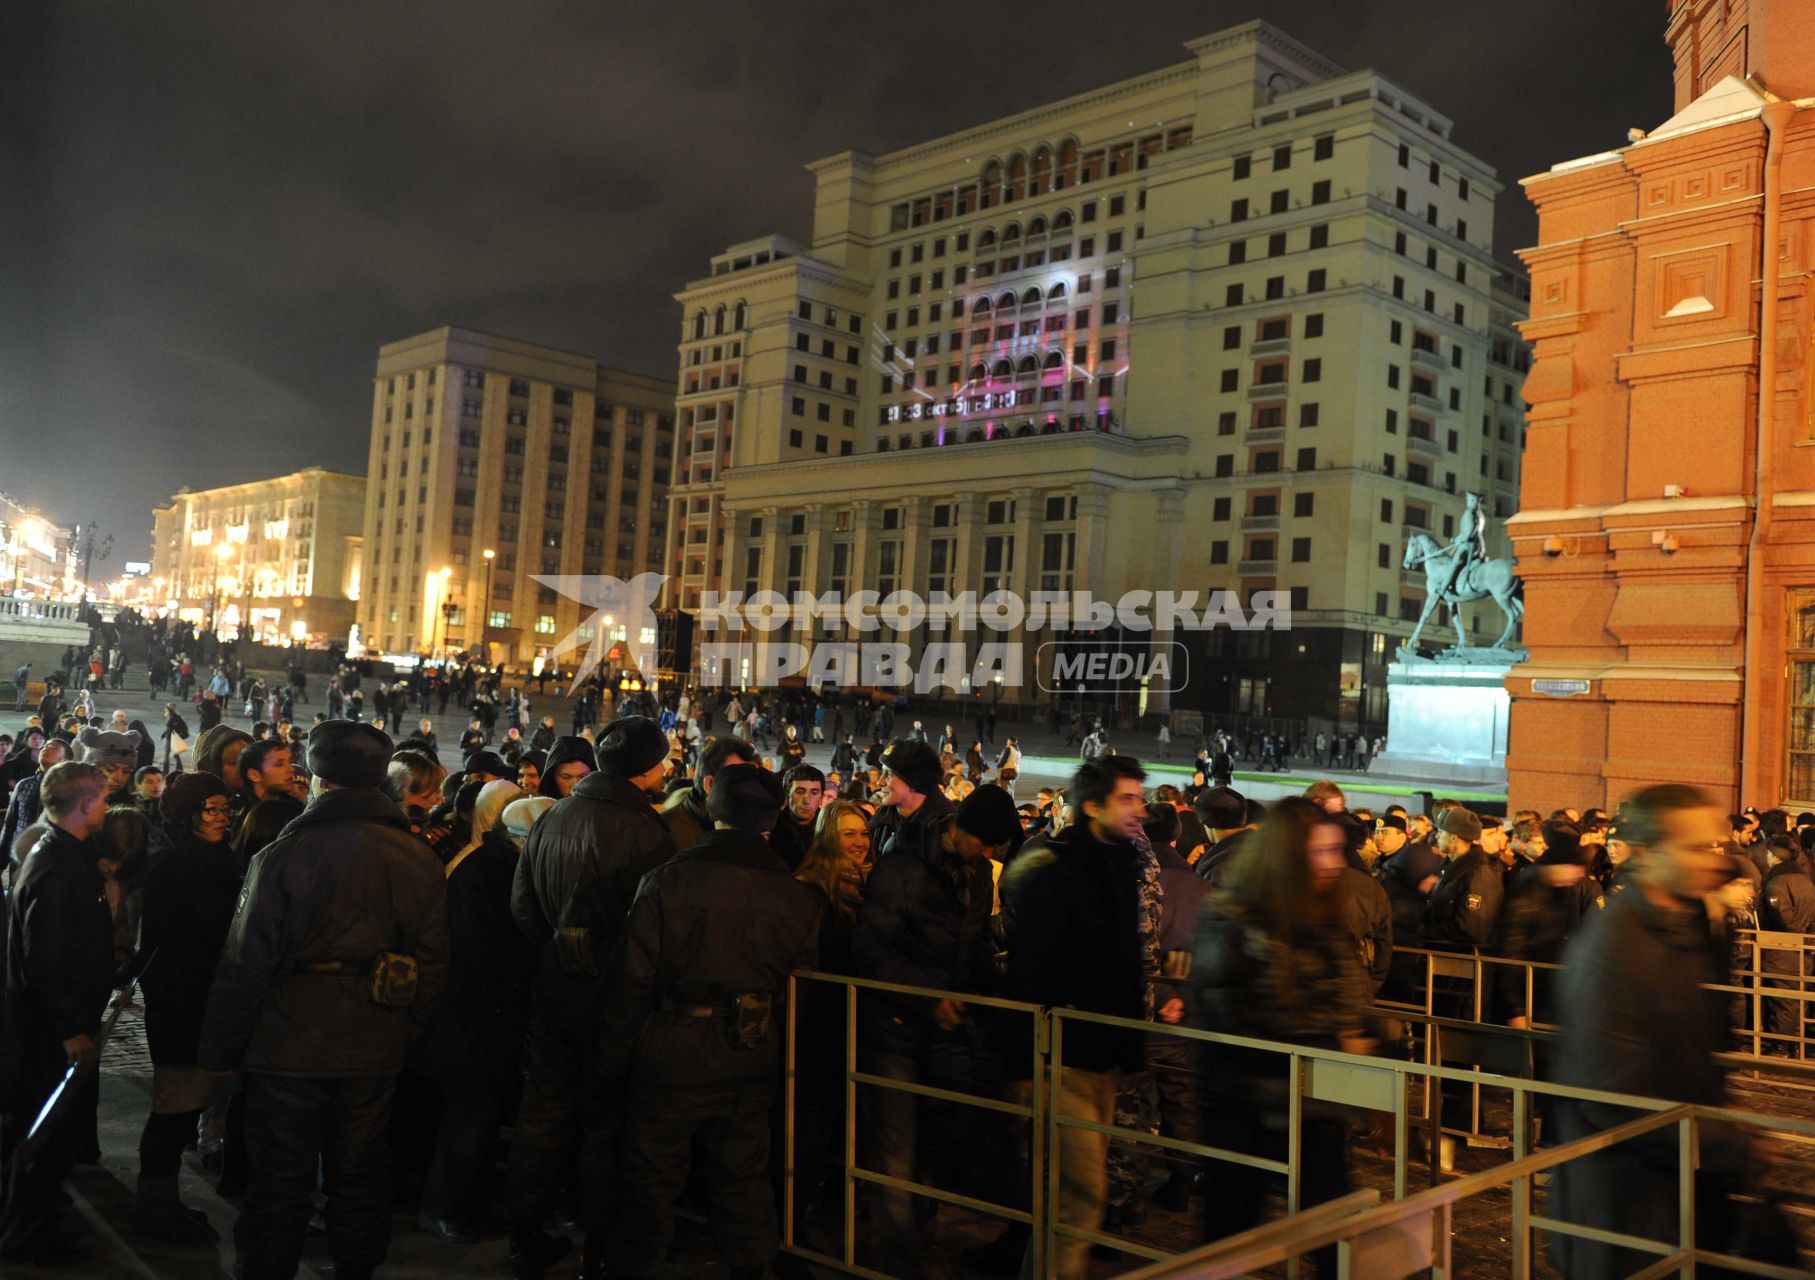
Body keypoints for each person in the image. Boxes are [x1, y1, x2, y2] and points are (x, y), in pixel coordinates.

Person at [197, 721, 450, 1280]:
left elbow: (245, 964)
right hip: (374, 1040)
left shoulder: (286, 854)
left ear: (321, 780)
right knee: (359, 1175)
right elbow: (432, 963)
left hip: (288, 1043)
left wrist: (220, 1052)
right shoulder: (416, 857)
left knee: (278, 1180)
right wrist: (406, 1032)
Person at [1551, 784, 1793, 1277]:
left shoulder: (1683, 923)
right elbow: (1617, 1095)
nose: (1713, 860)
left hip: (1678, 1185)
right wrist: (1731, 1144)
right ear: (1649, 853)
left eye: (1717, 846)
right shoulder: (1614, 950)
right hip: (1626, 1208)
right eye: (1697, 848)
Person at [603, 764, 820, 1279]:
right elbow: (800, 992)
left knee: (651, 1180)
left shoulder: (668, 880)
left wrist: (614, 1059)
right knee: (742, 1178)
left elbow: (631, 982)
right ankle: (750, 1268)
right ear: (772, 817)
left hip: (672, 1051)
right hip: (750, 1052)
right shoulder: (795, 896)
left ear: (713, 810)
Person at [506, 716, 675, 1279]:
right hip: (614, 998)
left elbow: (525, 907)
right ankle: (596, 1242)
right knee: (605, 1119)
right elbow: (651, 933)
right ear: (648, 769)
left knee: (544, 1114)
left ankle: (524, 1233)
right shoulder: (649, 832)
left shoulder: (553, 815)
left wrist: (561, 949)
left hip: (556, 987)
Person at [1190, 797, 1371, 1271]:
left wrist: (1352, 1028)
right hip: (1245, 1109)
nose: (1334, 865)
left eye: (1337, 851)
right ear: (1285, 858)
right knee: (1230, 1237)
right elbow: (1241, 1015)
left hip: (1313, 1109)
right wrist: (1332, 1030)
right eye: (1320, 853)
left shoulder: (1323, 916)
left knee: (1335, 1235)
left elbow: (1350, 994)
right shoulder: (1232, 919)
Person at [850, 784, 1011, 1278]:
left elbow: (974, 944)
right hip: (895, 1028)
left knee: (931, 1142)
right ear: (958, 827)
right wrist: (928, 998)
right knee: (895, 1152)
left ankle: (917, 1234)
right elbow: (871, 949)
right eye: (982, 843)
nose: (987, 855)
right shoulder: (903, 866)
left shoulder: (979, 870)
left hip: (945, 1033)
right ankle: (896, 1262)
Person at [1000, 757, 1147, 1280]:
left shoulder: (1120, 864)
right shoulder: (1058, 873)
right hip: (1063, 1056)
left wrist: (1131, 1049)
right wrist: (1027, 1058)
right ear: (1092, 807)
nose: (1140, 811)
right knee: (1081, 1197)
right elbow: (1032, 969)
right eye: (1127, 800)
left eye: (1140, 799)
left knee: (1070, 1199)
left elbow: (1124, 966)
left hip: (1101, 1055)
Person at [0, 762, 117, 1263]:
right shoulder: (54, 863)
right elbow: (45, 953)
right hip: (47, 1031)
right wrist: (70, 1026)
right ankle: (28, 1236)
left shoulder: (62, 851)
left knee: (53, 1136)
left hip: (52, 1023)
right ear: (86, 803)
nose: (109, 808)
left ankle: (41, 1221)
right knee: (41, 1135)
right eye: (105, 799)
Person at [413, 780, 537, 1243]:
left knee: (473, 1117)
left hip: (472, 1016)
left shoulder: (489, 862)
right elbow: (487, 948)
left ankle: (458, 1205)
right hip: (472, 1018)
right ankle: (445, 1209)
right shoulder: (491, 871)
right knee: (470, 1116)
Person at [131, 771, 239, 1242]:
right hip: (179, 998)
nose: (219, 818)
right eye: (208, 810)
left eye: (223, 809)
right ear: (186, 812)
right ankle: (154, 1207)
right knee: (173, 1104)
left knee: (188, 1101)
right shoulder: (173, 864)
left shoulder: (218, 857)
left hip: (207, 995)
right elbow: (168, 940)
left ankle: (163, 1201)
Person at [867, 739, 951, 863]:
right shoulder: (880, 821)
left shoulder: (948, 830)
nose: (880, 782)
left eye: (889, 774)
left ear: (915, 782)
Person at [768, 764, 823, 873]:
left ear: (821, 797)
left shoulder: (831, 829)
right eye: (800, 791)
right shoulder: (770, 828)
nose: (807, 800)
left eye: (814, 792)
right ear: (787, 794)